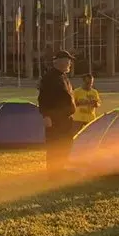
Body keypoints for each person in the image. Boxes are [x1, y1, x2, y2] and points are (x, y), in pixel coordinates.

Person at [38, 50, 77, 180]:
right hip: (55, 119)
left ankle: (60, 168)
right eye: (68, 60)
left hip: (65, 119)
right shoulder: (49, 77)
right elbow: (43, 98)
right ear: (59, 61)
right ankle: (54, 173)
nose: (70, 63)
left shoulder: (63, 76)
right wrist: (46, 116)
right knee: (55, 145)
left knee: (65, 145)